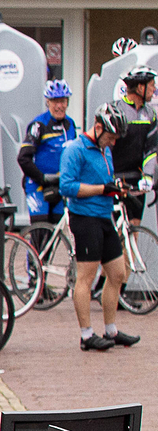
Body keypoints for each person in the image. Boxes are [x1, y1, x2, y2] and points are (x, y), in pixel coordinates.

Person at [59, 103, 141, 350]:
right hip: (85, 218)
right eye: (111, 137)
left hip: (105, 217)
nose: (113, 142)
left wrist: (116, 189)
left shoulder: (105, 150)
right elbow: (67, 187)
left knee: (117, 273)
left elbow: (105, 181)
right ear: (97, 127)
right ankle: (86, 336)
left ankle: (111, 331)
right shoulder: (75, 150)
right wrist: (102, 189)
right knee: (86, 278)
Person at [16, 80, 77, 225]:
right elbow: (23, 158)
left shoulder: (70, 124)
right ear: (48, 102)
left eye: (63, 101)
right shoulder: (39, 125)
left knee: (57, 230)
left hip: (60, 185)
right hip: (37, 185)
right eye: (55, 101)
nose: (59, 106)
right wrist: (42, 178)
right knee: (41, 229)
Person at [109, 64, 158, 224]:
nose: (154, 89)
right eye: (152, 85)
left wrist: (148, 176)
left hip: (136, 178)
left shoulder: (150, 114)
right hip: (115, 177)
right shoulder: (116, 110)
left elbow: (151, 148)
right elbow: (106, 146)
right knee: (118, 230)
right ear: (140, 87)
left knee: (134, 228)